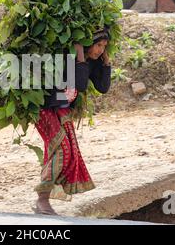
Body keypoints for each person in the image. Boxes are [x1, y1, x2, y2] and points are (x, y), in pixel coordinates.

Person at [33, 28, 112, 215]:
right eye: (98, 45)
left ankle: (42, 201)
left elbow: (102, 87)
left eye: (104, 47)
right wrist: (80, 58)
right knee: (62, 150)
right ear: (88, 43)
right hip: (45, 107)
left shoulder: (91, 61)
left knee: (68, 153)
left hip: (63, 109)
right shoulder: (67, 56)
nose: (100, 50)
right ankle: (42, 200)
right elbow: (81, 84)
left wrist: (106, 63)